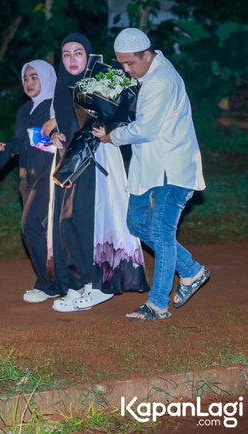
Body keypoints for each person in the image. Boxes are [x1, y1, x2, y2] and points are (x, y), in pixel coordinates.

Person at [93, 28, 209, 321]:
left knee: (160, 232)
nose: (125, 69)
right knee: (136, 223)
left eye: (130, 63)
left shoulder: (160, 80)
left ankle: (158, 304)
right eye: (121, 63)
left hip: (173, 169)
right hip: (150, 168)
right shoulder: (146, 75)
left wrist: (112, 136)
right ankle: (192, 271)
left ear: (147, 55)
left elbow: (144, 129)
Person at [48, 33, 149, 312]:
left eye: (78, 52)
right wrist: (56, 133)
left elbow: (124, 115)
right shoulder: (61, 84)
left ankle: (97, 285)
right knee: (66, 225)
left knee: (87, 222)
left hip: (96, 160)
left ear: (88, 55)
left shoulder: (100, 81)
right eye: (66, 54)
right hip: (70, 162)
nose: (71, 59)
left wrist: (108, 128)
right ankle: (76, 284)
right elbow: (63, 122)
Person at [0, 60, 58, 303]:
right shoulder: (25, 110)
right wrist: (4, 147)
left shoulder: (56, 107)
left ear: (46, 78)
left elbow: (58, 139)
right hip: (28, 176)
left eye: (34, 77)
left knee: (32, 226)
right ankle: (56, 280)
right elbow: (22, 141)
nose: (29, 83)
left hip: (50, 175)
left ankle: (48, 283)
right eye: (26, 78)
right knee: (43, 231)